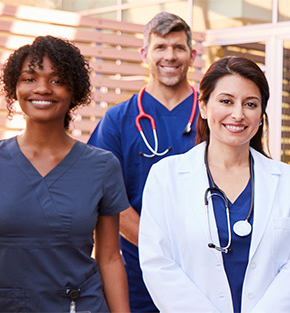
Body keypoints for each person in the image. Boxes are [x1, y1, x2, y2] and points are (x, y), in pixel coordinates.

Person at [0, 36, 130, 312]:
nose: (43, 89)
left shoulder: (102, 166)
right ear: (15, 87)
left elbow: (109, 259)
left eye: (57, 80)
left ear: (75, 91)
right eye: (30, 78)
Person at [138, 56, 290, 312]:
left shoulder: (288, 181)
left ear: (261, 115)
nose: (238, 114)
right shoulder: (166, 177)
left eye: (250, 104)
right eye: (226, 101)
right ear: (203, 106)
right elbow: (157, 263)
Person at [87, 12, 199, 312]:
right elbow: (107, 197)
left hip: (205, 269)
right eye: (160, 47)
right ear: (144, 54)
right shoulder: (117, 120)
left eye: (178, 47)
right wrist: (164, 250)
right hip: (137, 274)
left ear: (193, 54)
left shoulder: (212, 114)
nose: (170, 56)